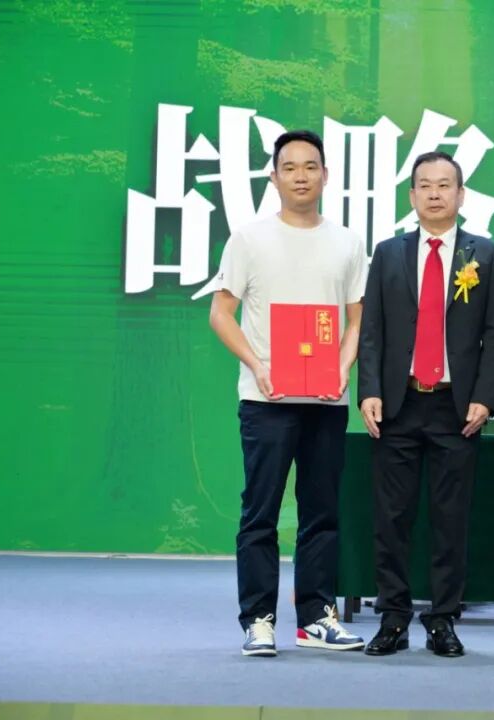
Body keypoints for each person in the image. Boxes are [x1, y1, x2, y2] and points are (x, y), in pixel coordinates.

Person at [208, 130, 366, 657]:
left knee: (322, 512)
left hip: (326, 402)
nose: (301, 176)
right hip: (266, 401)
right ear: (273, 177)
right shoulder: (249, 239)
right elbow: (220, 314)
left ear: (326, 175)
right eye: (290, 167)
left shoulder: (347, 242)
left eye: (311, 166)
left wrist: (342, 367)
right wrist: (257, 365)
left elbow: (357, 319)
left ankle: (316, 617)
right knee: (261, 513)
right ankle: (258, 619)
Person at [357, 151, 494, 657]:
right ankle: (393, 617)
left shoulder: (485, 255)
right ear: (412, 195)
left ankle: (443, 618)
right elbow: (372, 332)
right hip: (397, 405)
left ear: (461, 195)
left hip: (454, 407)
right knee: (391, 518)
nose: (435, 193)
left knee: (450, 520)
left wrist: (484, 397)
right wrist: (369, 389)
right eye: (425, 185)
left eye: (445, 185)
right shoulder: (388, 253)